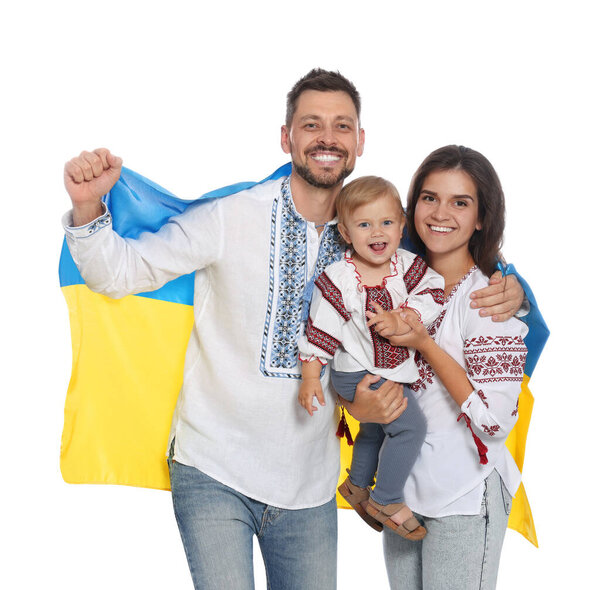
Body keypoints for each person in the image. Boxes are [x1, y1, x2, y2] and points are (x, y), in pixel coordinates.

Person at [61, 69, 524, 589]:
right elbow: (121, 273)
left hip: (309, 487)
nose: (327, 138)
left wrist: (512, 287)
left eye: (342, 126)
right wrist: (86, 206)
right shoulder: (229, 218)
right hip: (214, 466)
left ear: (359, 142)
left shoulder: (381, 232)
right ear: (287, 138)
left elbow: (456, 254)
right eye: (311, 124)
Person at [373, 145, 528, 590]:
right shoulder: (393, 285)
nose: (441, 213)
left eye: (460, 202)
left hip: (465, 493)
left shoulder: (489, 302)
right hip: (401, 492)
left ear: (481, 217)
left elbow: (495, 423)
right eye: (429, 197)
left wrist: (424, 343)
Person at [297, 175, 444, 540]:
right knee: (410, 427)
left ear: (401, 226)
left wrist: (405, 316)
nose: (377, 233)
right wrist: (312, 376)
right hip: (356, 369)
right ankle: (387, 499)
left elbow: (434, 290)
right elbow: (320, 330)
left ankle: (358, 485)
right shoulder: (340, 278)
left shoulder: (407, 266)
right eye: (364, 225)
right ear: (346, 233)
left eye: (386, 223)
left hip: (388, 365)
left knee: (376, 428)